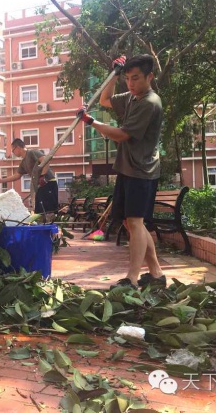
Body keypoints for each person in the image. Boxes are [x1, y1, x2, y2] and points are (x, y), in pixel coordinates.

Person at [78, 54, 165, 289]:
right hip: (128, 168)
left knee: (135, 223)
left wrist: (91, 122)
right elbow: (105, 99)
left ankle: (132, 278)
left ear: (149, 77)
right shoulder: (131, 98)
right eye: (127, 78)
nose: (131, 83)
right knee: (131, 222)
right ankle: (156, 273)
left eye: (135, 78)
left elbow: (122, 134)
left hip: (142, 170)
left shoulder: (149, 102)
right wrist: (114, 74)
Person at [0, 139, 59, 217]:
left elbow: (45, 160)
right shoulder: (23, 162)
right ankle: (43, 227)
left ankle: (53, 227)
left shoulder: (32, 152)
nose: (13, 153)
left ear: (18, 147)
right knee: (40, 211)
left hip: (48, 183)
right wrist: (2, 180)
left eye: (13, 150)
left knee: (50, 210)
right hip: (39, 186)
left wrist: (42, 176)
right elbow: (17, 175)